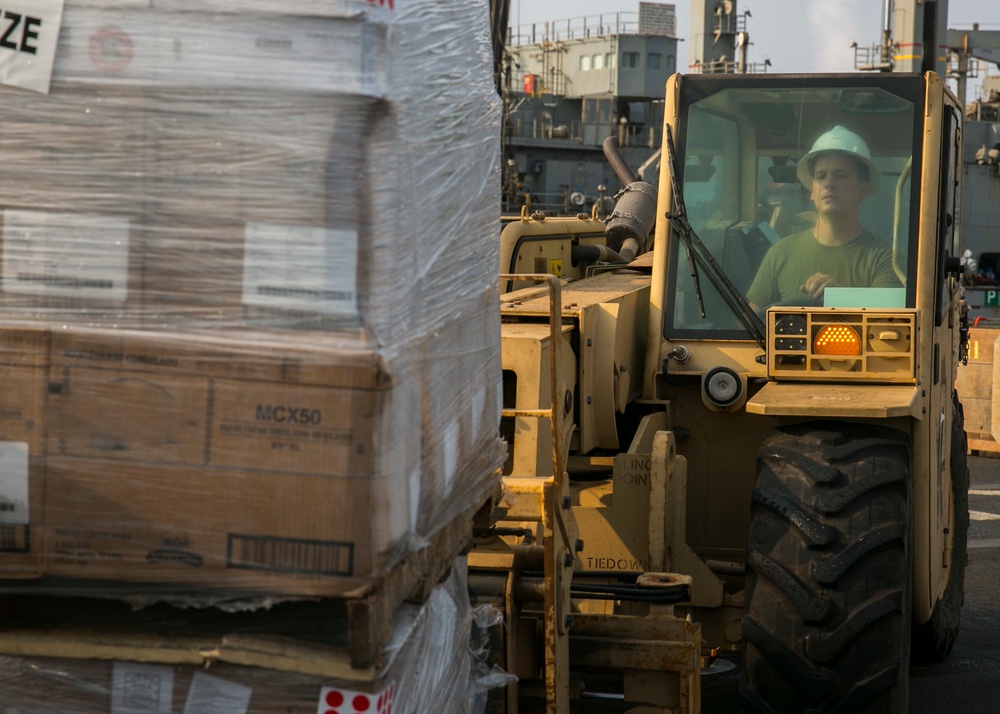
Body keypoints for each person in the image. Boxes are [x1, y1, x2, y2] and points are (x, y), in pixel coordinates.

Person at [746, 125, 901, 310]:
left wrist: (840, 299)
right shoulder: (779, 255)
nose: (829, 183)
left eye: (840, 175)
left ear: (863, 188)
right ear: (812, 191)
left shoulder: (886, 260)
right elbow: (749, 328)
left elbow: (889, 327)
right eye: (821, 176)